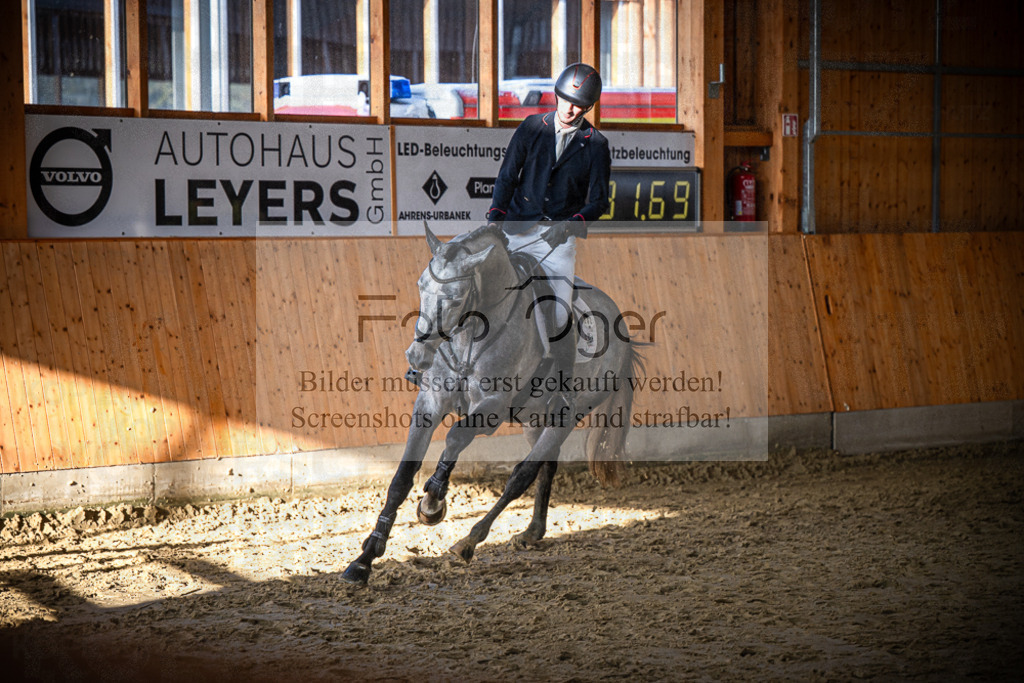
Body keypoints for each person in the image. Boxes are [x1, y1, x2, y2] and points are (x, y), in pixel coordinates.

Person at [486, 63, 611, 411]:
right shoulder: (531, 128)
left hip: (558, 239)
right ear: (557, 95)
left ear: (587, 108)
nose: (571, 109)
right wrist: (496, 217)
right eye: (567, 101)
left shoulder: (595, 144)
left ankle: (563, 383)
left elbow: (599, 201)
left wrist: (571, 224)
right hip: (516, 228)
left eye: (579, 106)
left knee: (557, 312)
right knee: (479, 286)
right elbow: (508, 175)